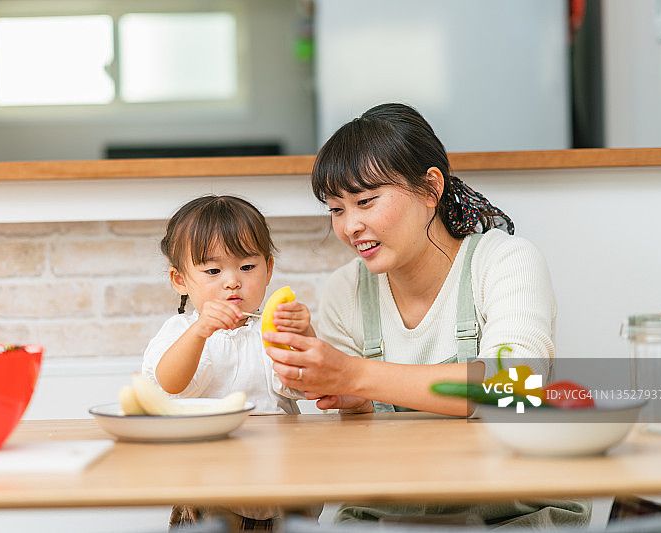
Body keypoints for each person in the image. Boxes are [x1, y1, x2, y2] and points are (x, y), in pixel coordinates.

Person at [262, 103, 590, 528]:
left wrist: (355, 374)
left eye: (366, 201)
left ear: (431, 189)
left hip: (516, 513)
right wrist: (353, 402)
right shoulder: (346, 289)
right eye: (337, 209)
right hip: (391, 515)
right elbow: (356, 442)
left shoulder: (504, 262)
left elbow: (514, 387)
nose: (350, 226)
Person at [141, 194, 315, 530]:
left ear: (269, 269)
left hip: (281, 488)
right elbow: (170, 384)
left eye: (247, 267)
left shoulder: (272, 328)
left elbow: (306, 380)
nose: (232, 281)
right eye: (213, 270)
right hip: (207, 492)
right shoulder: (180, 331)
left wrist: (305, 333)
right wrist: (199, 332)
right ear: (180, 280)